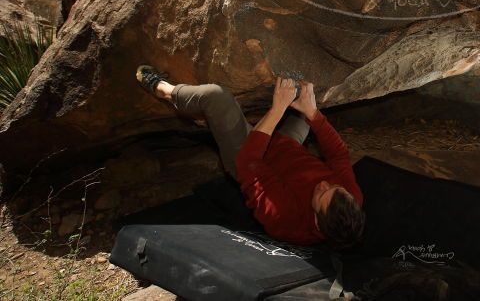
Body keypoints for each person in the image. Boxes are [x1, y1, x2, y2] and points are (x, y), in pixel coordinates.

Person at [135, 65, 366, 250]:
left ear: (316, 218)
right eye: (334, 186)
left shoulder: (285, 220)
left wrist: (277, 110)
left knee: (217, 97)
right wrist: (312, 113)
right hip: (287, 147)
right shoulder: (349, 198)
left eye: (321, 193)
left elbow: (249, 160)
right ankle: (217, 121)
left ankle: (164, 90)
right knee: (308, 100)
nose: (324, 184)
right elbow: (338, 155)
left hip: (252, 157)